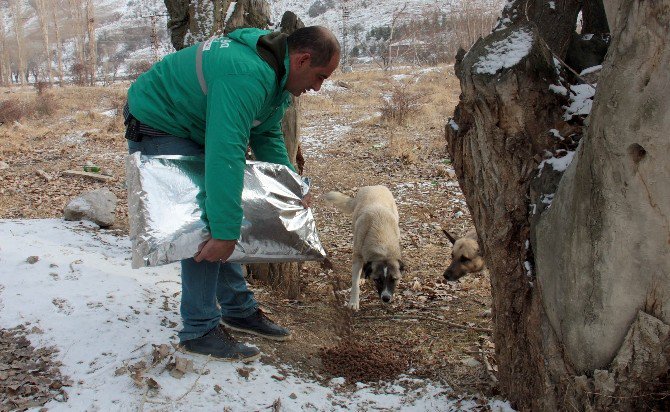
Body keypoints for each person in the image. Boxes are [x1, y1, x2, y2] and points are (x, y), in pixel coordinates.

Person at [124, 26, 340, 361]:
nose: (316, 87)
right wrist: (224, 232)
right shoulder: (246, 75)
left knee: (221, 214)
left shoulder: (275, 74)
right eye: (319, 76)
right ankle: (199, 329)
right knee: (205, 226)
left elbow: (265, 132)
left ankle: (237, 309)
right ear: (303, 59)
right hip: (162, 119)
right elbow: (225, 155)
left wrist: (290, 186)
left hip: (193, 120)